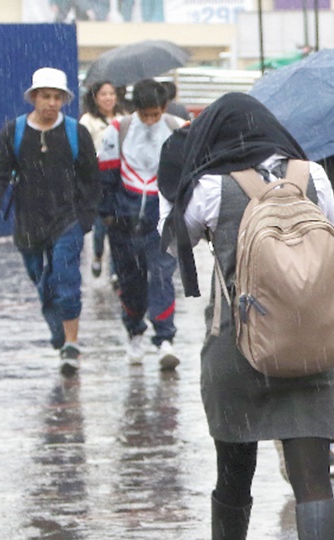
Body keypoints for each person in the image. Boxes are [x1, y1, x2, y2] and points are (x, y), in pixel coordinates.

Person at [158, 93, 334, 540]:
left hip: (240, 346)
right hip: (310, 344)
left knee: (233, 469)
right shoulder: (315, 177)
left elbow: (174, 243)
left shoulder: (213, 186)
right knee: (311, 474)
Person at [0, 67, 99, 376]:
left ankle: (71, 345)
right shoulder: (15, 131)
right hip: (28, 222)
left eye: (57, 98)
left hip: (67, 220)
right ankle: (59, 333)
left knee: (66, 280)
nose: (52, 103)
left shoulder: (76, 133)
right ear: (34, 98)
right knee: (43, 283)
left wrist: (84, 219)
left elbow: (91, 178)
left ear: (64, 100)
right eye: (46, 97)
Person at [98, 78, 185, 369]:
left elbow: (189, 177)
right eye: (145, 115)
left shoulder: (178, 129)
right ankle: (134, 332)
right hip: (125, 222)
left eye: (155, 114)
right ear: (136, 110)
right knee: (131, 283)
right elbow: (106, 177)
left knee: (162, 277)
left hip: (162, 221)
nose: (150, 120)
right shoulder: (117, 132)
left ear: (163, 108)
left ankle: (165, 340)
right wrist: (109, 215)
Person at [80, 80, 123, 279]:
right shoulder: (87, 121)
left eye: (111, 93)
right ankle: (97, 255)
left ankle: (116, 270)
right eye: (104, 94)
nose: (108, 98)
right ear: (95, 98)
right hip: (98, 181)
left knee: (120, 226)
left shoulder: (125, 119)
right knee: (100, 228)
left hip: (121, 180)